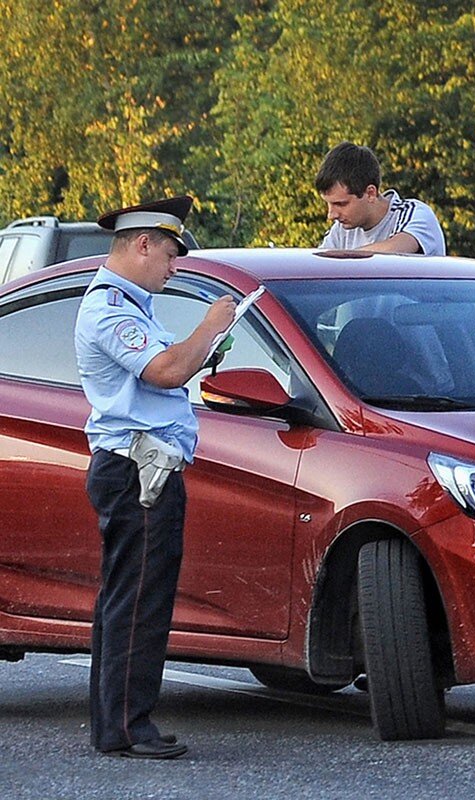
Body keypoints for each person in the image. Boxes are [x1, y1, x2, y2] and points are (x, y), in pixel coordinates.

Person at [74, 196, 236, 759]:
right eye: (170, 253)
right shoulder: (110, 309)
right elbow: (164, 371)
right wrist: (211, 326)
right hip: (137, 469)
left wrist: (202, 347)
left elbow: (166, 367)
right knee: (138, 599)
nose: (174, 266)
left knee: (130, 596)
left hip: (142, 466)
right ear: (142, 243)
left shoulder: (130, 303)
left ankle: (117, 721)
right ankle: (125, 725)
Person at [315, 142, 446, 256]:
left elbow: (398, 249)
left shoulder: (415, 214)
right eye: (329, 204)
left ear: (370, 193)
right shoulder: (341, 230)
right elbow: (319, 267)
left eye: (341, 204)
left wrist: (342, 260)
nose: (331, 215)